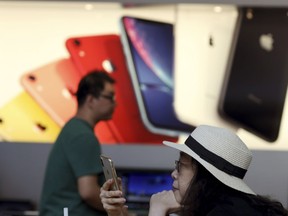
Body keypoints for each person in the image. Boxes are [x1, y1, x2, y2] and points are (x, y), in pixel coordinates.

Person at [100, 125, 288, 216]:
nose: (174, 174)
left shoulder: (222, 215)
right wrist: (118, 213)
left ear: (203, 175)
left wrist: (157, 210)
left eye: (181, 167)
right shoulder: (233, 207)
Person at [40, 71, 116, 216]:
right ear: (91, 100)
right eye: (110, 97)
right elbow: (88, 192)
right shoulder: (83, 136)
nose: (115, 102)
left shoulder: (74, 129)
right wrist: (118, 210)